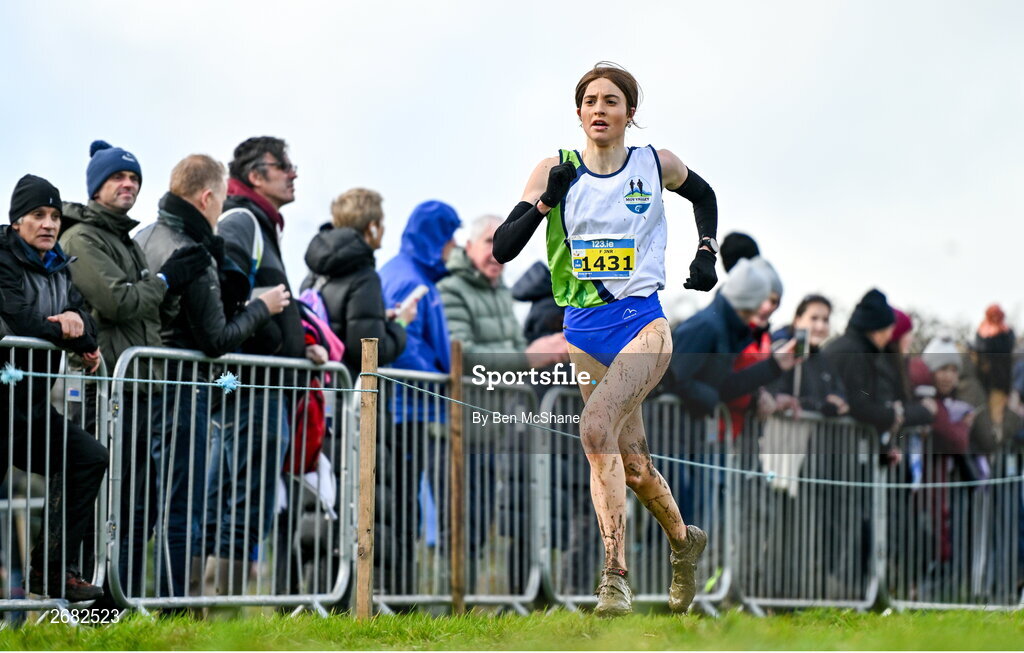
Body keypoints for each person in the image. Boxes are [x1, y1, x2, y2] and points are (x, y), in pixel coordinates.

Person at [491, 62, 717, 616]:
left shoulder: (654, 163)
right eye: (589, 100)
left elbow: (706, 195)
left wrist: (707, 251)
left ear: (629, 113)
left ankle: (614, 578)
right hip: (582, 331)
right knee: (633, 465)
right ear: (578, 112)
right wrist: (547, 202)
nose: (599, 109)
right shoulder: (554, 169)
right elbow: (501, 248)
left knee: (594, 430)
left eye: (611, 101)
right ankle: (685, 542)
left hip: (644, 323)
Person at [135, 154, 290, 599]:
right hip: (183, 389)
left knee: (143, 505)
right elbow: (216, 337)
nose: (222, 208)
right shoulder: (194, 249)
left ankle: (127, 608)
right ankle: (177, 608)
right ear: (207, 197)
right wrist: (263, 309)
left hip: (146, 382)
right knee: (182, 506)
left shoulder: (144, 235)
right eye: (219, 199)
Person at [60, 140, 208, 605]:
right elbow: (118, 303)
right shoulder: (80, 238)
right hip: (106, 391)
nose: (128, 184)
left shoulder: (127, 239)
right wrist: (164, 280)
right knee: (102, 505)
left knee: (134, 507)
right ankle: (83, 609)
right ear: (96, 187)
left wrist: (178, 285)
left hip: (141, 389)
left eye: (134, 178)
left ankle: (117, 607)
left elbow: (152, 316)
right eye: (117, 178)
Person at [209, 136, 323, 598]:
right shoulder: (241, 220)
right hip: (254, 386)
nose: (293, 173)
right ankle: (218, 611)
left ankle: (218, 610)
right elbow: (227, 297)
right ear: (256, 175)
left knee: (248, 500)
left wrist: (302, 348)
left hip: (268, 385)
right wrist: (277, 342)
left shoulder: (260, 222)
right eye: (284, 166)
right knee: (243, 500)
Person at [0, 174, 107, 601]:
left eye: (55, 216)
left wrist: (74, 330)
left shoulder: (60, 265)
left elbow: (90, 327)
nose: (48, 224)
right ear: (16, 223)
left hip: (30, 408)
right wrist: (66, 328)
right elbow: (21, 319)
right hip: (1, 403)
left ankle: (50, 573)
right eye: (38, 215)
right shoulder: (2, 258)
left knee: (89, 458)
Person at [376, 200, 460, 600]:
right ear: (434, 238)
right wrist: (442, 377)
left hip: (408, 408)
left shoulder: (408, 272)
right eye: (449, 237)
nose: (453, 246)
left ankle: (401, 594)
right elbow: (405, 347)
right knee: (402, 504)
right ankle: (399, 597)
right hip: (406, 409)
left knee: (403, 502)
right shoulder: (411, 281)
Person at [301, 188, 412, 377]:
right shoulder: (364, 277)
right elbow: (369, 355)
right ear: (372, 227)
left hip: (320, 387)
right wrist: (401, 323)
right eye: (381, 222)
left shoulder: (315, 272)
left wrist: (381, 319)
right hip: (350, 395)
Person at [439, 214, 567, 371]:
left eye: (504, 243)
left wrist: (548, 346)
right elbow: (461, 356)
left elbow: (519, 346)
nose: (497, 252)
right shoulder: (450, 290)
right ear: (469, 247)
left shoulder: (503, 291)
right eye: (489, 241)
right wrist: (528, 358)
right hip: (472, 393)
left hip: (508, 392)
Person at [823, 289, 937, 461]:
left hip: (845, 449)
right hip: (838, 452)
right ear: (877, 330)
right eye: (889, 329)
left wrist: (884, 449)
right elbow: (858, 403)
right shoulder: (855, 354)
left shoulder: (857, 350)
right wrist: (892, 414)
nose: (891, 335)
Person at [770, 294, 849, 417]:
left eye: (825, 320)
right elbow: (775, 389)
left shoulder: (824, 359)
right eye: (814, 318)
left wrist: (838, 400)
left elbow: (838, 390)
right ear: (797, 320)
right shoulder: (783, 349)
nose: (820, 326)